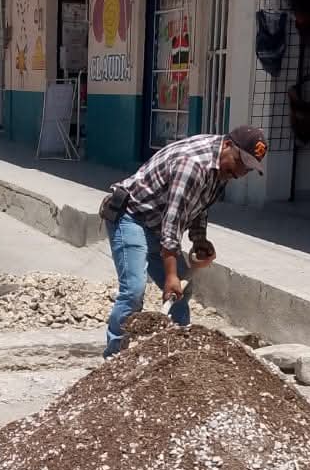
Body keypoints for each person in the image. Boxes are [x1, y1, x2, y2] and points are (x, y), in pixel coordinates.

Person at [101, 126, 268, 356]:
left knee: (181, 291)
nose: (241, 172)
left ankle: (179, 355)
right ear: (228, 145)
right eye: (241, 162)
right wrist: (171, 275)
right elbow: (173, 219)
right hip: (132, 217)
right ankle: (114, 357)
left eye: (248, 168)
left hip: (158, 225)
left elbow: (199, 204)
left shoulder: (222, 166)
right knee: (134, 290)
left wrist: (199, 239)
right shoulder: (193, 164)